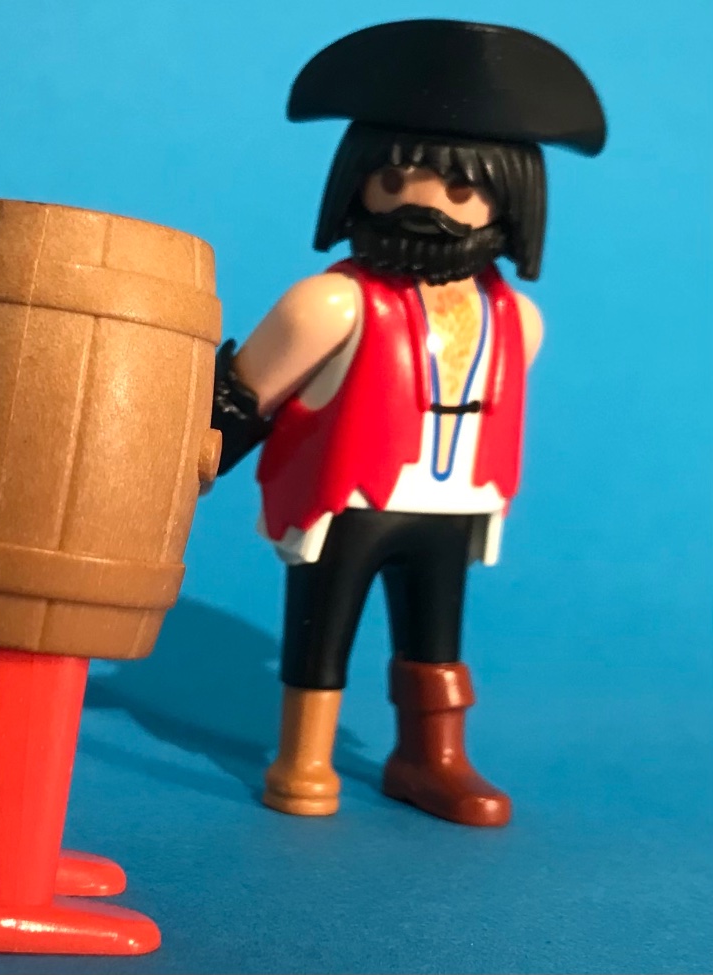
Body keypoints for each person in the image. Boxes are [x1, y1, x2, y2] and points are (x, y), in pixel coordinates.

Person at [211, 19, 606, 826]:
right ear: (356, 183)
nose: (424, 207)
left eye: (459, 191)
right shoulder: (332, 303)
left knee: (436, 636)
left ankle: (431, 756)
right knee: (322, 632)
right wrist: (186, 462)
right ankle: (303, 757)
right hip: (346, 499)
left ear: (510, 198)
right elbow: (242, 401)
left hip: (454, 500)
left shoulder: (515, 319)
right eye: (392, 180)